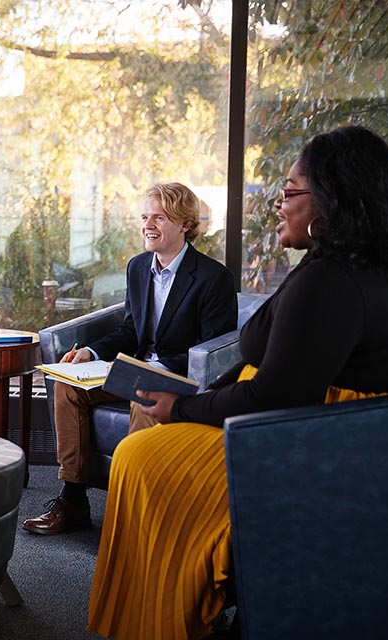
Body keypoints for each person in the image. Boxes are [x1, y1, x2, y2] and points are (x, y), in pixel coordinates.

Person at [87, 125, 388, 639]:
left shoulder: (332, 280)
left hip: (308, 436)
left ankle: (164, 620)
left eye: (290, 190)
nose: (277, 202)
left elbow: (278, 392)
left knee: (141, 460)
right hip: (297, 421)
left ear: (328, 203)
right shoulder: (335, 266)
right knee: (145, 451)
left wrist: (181, 408)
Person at [23, 182, 238, 536]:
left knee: (145, 396)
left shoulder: (214, 278)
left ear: (185, 223)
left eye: (159, 217)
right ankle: (73, 499)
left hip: (175, 380)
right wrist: (90, 353)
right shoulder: (138, 268)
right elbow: (130, 332)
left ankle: (133, 511)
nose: (147, 226)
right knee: (66, 384)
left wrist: (153, 368)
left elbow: (211, 350)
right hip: (134, 371)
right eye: (144, 217)